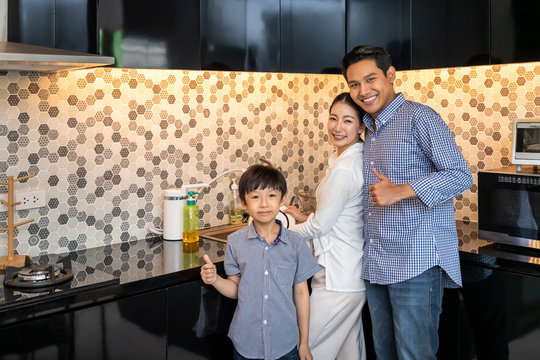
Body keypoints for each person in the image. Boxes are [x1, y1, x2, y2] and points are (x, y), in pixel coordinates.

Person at [341, 45, 473, 360]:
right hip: (377, 262)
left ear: (390, 75)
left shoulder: (419, 117)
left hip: (416, 263)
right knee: (384, 353)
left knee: (415, 355)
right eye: (354, 84)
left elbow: (460, 175)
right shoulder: (370, 130)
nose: (363, 90)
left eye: (370, 79)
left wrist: (401, 190)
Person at [200, 164, 320, 360]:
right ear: (244, 203)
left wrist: (304, 342)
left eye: (271, 196)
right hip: (246, 343)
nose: (264, 203)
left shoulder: (296, 244)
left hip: (285, 344)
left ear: (282, 199)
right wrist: (214, 280)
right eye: (255, 196)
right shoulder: (235, 242)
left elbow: (301, 293)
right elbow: (236, 289)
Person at [283, 92, 367, 360]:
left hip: (337, 281)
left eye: (347, 121)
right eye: (333, 118)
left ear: (361, 126)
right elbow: (339, 220)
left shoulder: (345, 168)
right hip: (349, 278)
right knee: (349, 355)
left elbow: (320, 227)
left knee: (305, 351)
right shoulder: (347, 159)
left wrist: (280, 233)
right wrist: (304, 217)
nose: (337, 127)